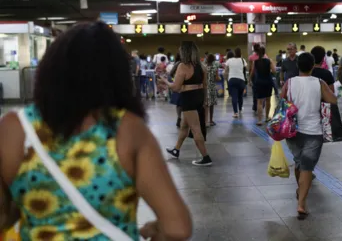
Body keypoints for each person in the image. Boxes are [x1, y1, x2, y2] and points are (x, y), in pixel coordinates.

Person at [0, 22, 192, 240]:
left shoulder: (14, 129)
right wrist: (155, 230)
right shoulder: (128, 131)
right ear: (117, 73)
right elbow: (178, 228)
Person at [281, 53, 337, 220]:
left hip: (292, 131)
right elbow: (332, 100)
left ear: (298, 65)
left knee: (300, 163)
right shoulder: (319, 83)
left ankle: (300, 192)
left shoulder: (289, 82)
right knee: (307, 166)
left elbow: (282, 100)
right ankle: (301, 203)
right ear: (313, 66)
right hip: (314, 131)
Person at [161, 41, 212, 166]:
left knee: (195, 129)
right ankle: (176, 149)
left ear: (184, 52)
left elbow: (176, 88)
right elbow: (205, 85)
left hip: (188, 99)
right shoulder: (201, 66)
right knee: (184, 125)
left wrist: (165, 82)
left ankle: (206, 157)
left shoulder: (182, 66)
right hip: (199, 97)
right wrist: (205, 100)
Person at [251, 47, 276, 125]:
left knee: (259, 102)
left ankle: (259, 120)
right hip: (268, 82)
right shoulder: (269, 61)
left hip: (259, 82)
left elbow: (252, 72)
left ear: (258, 53)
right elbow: (274, 71)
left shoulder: (255, 62)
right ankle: (267, 117)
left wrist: (249, 80)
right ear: (265, 52)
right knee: (268, 100)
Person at [225, 48, 248, 118]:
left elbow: (226, 71)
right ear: (241, 53)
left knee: (234, 96)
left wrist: (227, 79)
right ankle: (240, 109)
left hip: (232, 80)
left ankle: (235, 113)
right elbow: (246, 69)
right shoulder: (242, 60)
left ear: (234, 53)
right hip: (241, 80)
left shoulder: (229, 60)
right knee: (240, 96)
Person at [249, 44, 268, 112]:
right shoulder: (265, 56)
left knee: (255, 92)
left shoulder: (251, 57)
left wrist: (249, 78)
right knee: (263, 92)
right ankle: (261, 105)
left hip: (255, 76)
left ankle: (255, 106)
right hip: (263, 76)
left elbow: (251, 68)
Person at [205, 53, 220, 127]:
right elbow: (217, 78)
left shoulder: (204, 67)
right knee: (211, 105)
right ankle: (210, 120)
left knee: (206, 104)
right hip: (212, 87)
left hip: (205, 87)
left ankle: (205, 120)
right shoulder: (215, 68)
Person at [169, 53, 183, 127]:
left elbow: (171, 74)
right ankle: (181, 119)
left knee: (179, 104)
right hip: (183, 86)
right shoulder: (183, 64)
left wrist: (175, 79)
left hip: (178, 85)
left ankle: (179, 118)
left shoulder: (177, 63)